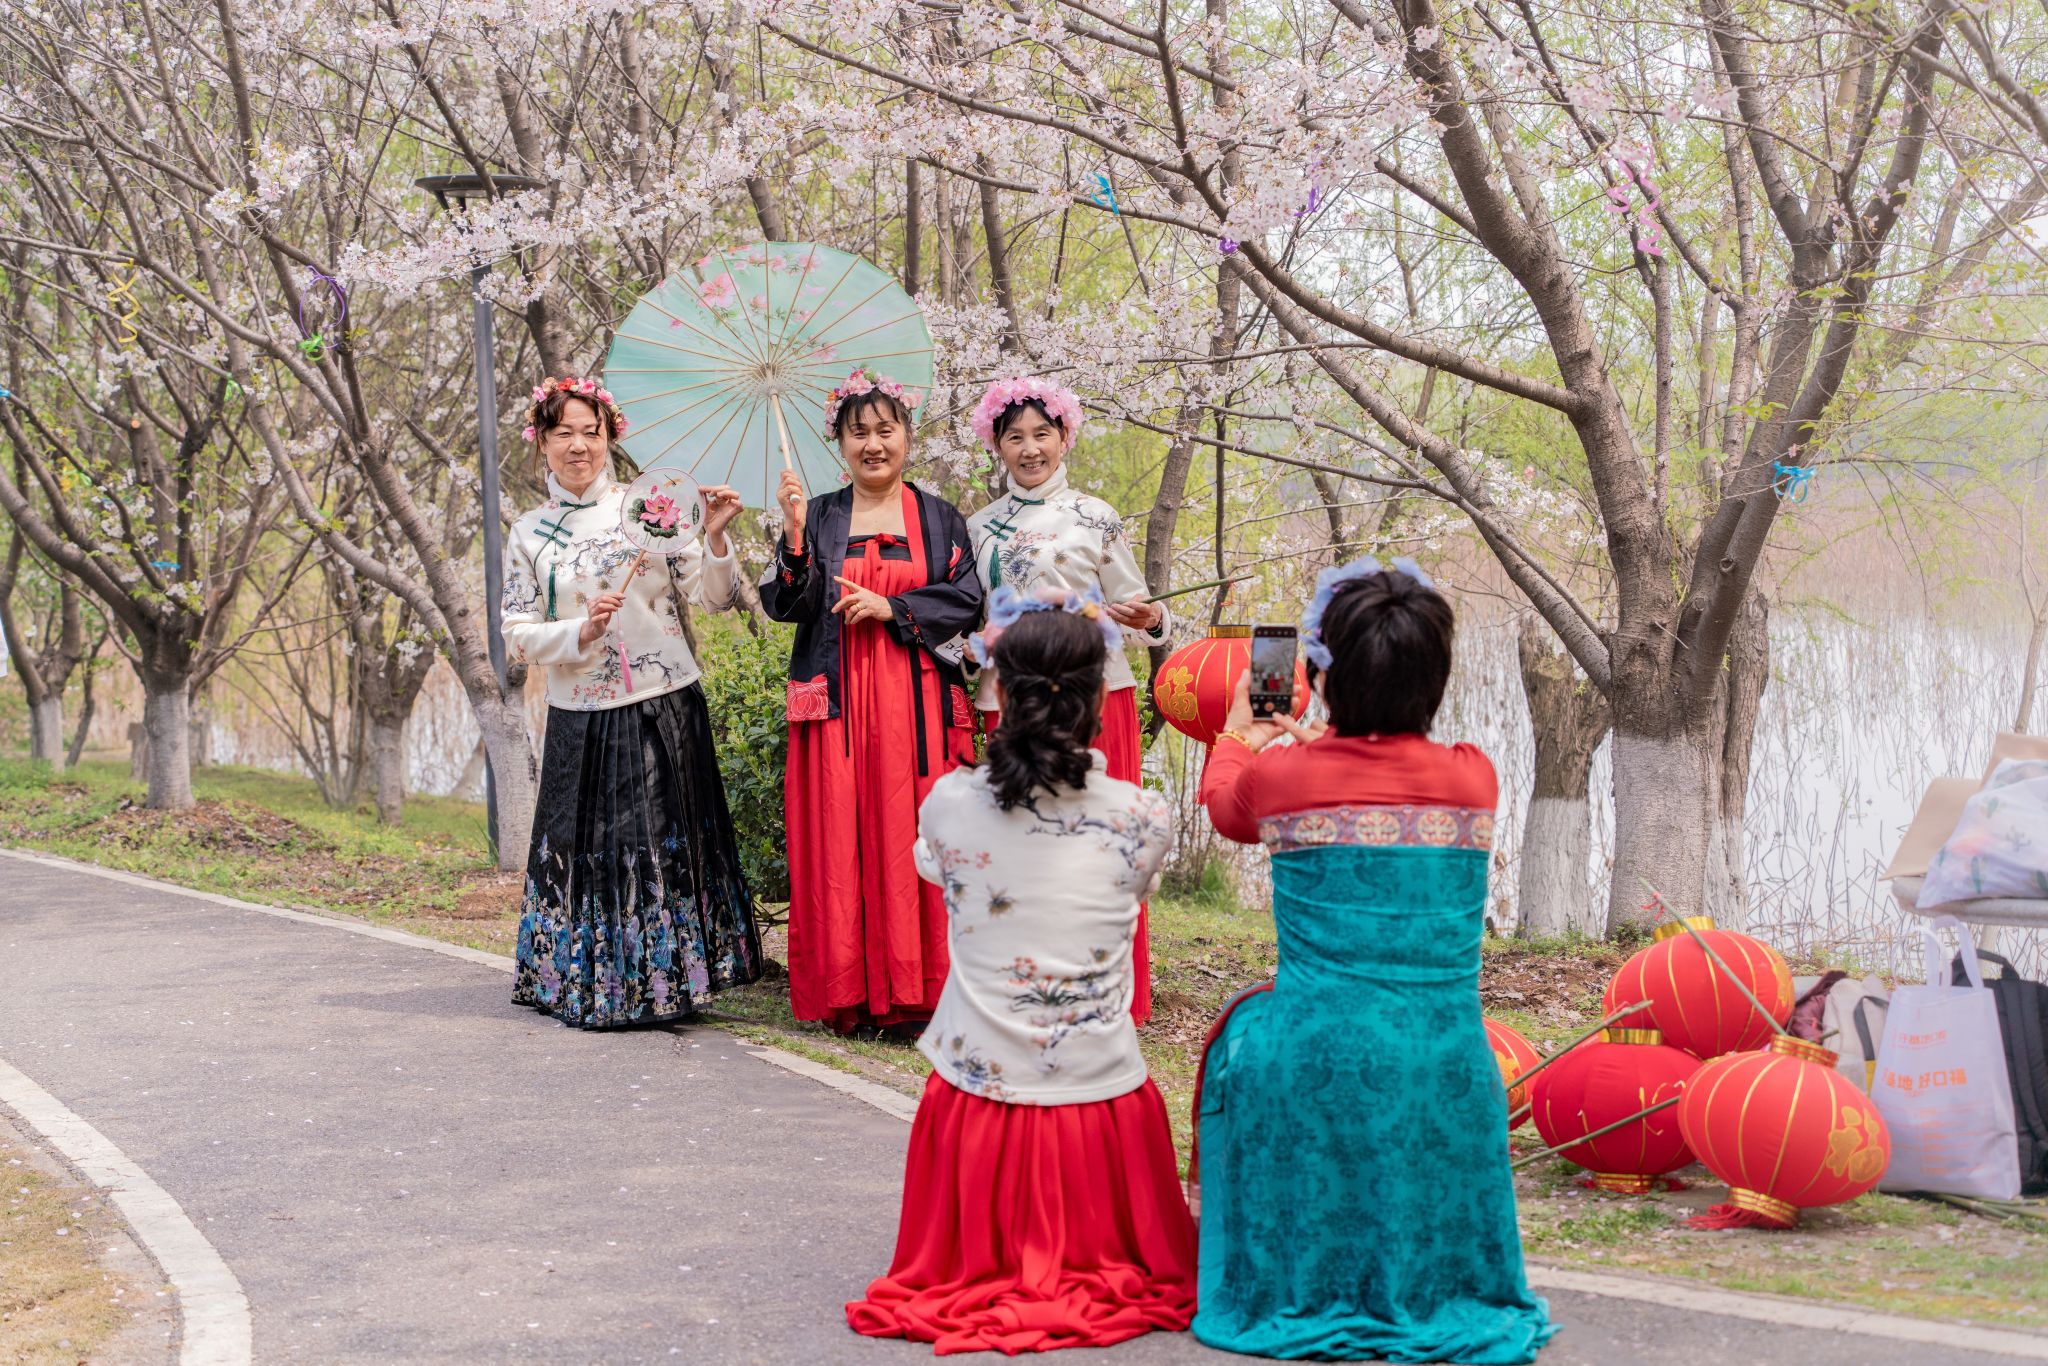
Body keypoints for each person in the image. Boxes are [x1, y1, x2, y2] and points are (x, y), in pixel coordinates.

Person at [1190, 558, 1557, 1362]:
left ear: (1323, 677)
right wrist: (1321, 744)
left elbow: (1225, 810)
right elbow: (1380, 774)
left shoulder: (1282, 776)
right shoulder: (1474, 776)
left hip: (1313, 1057)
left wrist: (1241, 734)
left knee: (1243, 1041)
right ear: (1435, 676)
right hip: (1446, 1062)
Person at [847, 593, 1196, 1355]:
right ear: (1097, 699)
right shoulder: (1143, 816)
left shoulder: (948, 803)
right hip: (1100, 1098)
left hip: (977, 1097)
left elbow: (934, 864)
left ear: (1000, 692)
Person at [502, 376, 763, 1029]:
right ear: (542, 443)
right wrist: (580, 630)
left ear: (610, 438)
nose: (579, 446)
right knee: (591, 850)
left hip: (661, 702)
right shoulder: (529, 533)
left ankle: (670, 981)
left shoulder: (650, 509)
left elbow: (712, 597)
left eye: (591, 432)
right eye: (563, 433)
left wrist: (716, 539)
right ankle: (595, 982)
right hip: (579, 715)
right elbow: (516, 637)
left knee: (659, 845)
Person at [760, 369, 984, 1034]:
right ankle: (849, 993)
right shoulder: (818, 514)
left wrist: (892, 607)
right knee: (839, 836)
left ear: (908, 435)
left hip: (917, 705)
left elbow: (967, 600)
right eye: (858, 433)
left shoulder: (941, 519)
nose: (873, 444)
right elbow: (787, 604)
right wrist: (794, 537)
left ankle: (923, 991)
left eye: (886, 429)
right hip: (837, 706)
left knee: (918, 831)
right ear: (840, 444)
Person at [965, 376, 1170, 1024]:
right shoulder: (978, 528)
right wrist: (975, 647)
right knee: (1022, 838)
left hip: (1095, 695)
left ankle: (1111, 993)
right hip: (1009, 698)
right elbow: (970, 625)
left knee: (1102, 842)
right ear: (996, 444)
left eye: (1041, 435)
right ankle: (1027, 987)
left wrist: (1149, 617)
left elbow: (1141, 608)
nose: (1030, 449)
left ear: (1064, 438)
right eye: (1015, 437)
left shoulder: (1096, 516)